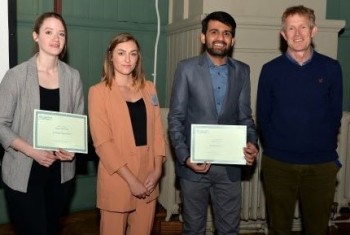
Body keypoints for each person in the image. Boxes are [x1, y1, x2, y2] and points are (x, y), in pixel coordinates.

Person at [168, 11, 259, 235]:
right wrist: (185, 157)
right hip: (193, 169)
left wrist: (252, 143)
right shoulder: (186, 68)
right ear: (203, 37)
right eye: (214, 32)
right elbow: (175, 119)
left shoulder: (242, 71)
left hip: (229, 169)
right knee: (193, 229)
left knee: (229, 230)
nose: (220, 37)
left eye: (227, 33)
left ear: (233, 40)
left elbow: (245, 117)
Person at [257, 5, 343, 235]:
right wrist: (278, 146)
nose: (297, 34)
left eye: (303, 27)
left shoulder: (332, 68)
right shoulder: (270, 71)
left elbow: (335, 115)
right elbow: (263, 117)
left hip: (321, 165)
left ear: (313, 30)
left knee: (317, 228)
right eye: (291, 28)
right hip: (279, 164)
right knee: (279, 228)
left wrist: (320, 147)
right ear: (283, 34)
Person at [0, 12, 84, 235]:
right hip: (23, 171)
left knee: (51, 229)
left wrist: (73, 149)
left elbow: (78, 121)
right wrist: (31, 151)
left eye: (61, 34)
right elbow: (0, 124)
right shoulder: (16, 76)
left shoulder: (73, 76)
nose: (56, 38)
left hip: (61, 173)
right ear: (36, 36)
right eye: (49, 32)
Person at [88, 32, 165, 235]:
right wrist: (131, 180)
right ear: (111, 56)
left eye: (132, 53)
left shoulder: (149, 89)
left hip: (149, 176)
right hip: (118, 177)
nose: (127, 59)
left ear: (138, 57)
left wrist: (158, 170)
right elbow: (102, 143)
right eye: (121, 53)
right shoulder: (98, 92)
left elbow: (157, 132)